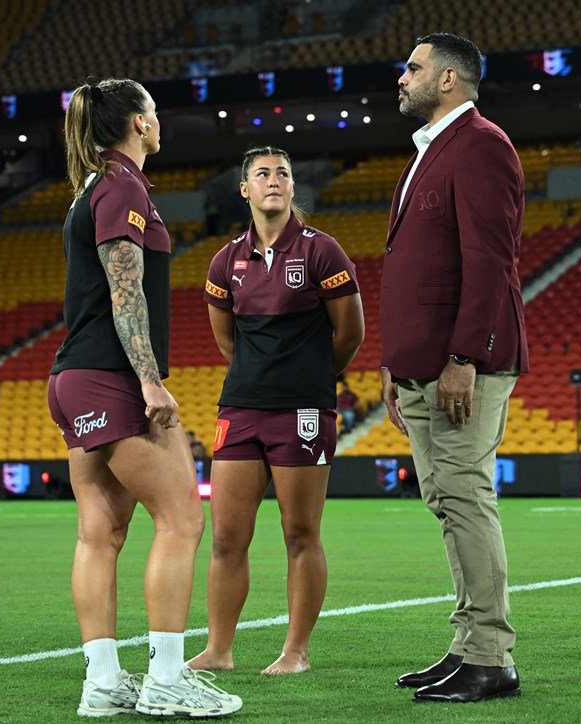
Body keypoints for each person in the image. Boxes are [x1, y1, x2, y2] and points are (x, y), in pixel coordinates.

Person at [46, 77, 241, 718]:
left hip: (74, 376)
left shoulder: (93, 187)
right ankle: (165, 678)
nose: (160, 123)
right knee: (182, 520)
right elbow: (124, 289)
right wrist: (150, 378)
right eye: (153, 113)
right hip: (110, 375)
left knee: (99, 534)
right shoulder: (122, 186)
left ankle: (103, 683)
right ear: (136, 122)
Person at [380, 33, 529, 704]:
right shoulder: (430, 151)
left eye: (413, 67)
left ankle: (491, 656)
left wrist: (465, 356)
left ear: (447, 79)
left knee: (466, 499)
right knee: (447, 502)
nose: (401, 76)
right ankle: (467, 646)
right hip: (420, 363)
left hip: (459, 362)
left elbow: (490, 261)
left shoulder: (482, 145)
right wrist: (393, 360)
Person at [188, 146, 364, 676]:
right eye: (262, 174)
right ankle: (218, 651)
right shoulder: (225, 260)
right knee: (225, 538)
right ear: (244, 189)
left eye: (283, 174)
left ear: (292, 188)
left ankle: (296, 652)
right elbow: (227, 341)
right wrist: (260, 376)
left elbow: (350, 334)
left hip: (303, 411)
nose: (273, 181)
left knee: (300, 534)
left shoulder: (322, 251)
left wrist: (307, 376)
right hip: (240, 408)